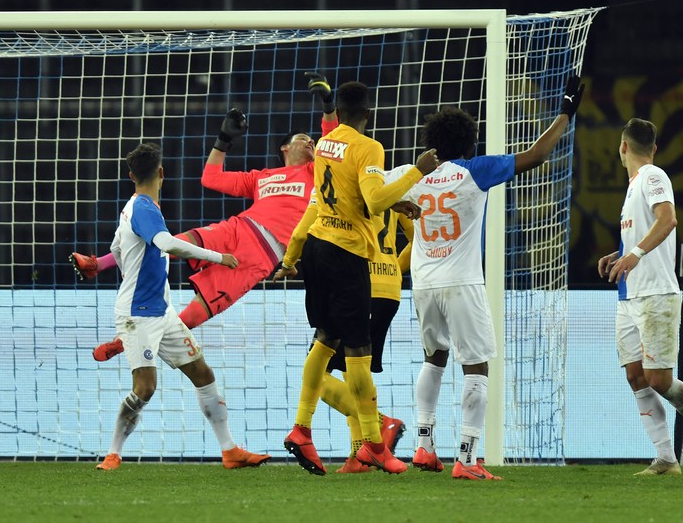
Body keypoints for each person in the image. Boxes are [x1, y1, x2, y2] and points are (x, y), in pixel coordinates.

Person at [390, 75, 585, 481]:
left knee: (434, 359)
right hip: (462, 281)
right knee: (476, 366)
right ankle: (466, 458)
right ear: (468, 144)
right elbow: (535, 155)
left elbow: (370, 188)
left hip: (423, 282)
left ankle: (423, 448)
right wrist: (566, 112)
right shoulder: (474, 170)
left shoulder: (412, 174)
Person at [72, 74, 316, 361]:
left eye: (313, 140)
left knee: (192, 316)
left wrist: (326, 103)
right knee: (166, 245)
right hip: (238, 229)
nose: (311, 142)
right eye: (304, 139)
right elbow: (211, 178)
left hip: (261, 256)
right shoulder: (262, 177)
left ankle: (124, 342)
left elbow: (335, 140)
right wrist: (223, 139)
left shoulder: (318, 173)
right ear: (285, 148)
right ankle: (97, 264)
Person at [274, 80, 439, 476]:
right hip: (348, 257)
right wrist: (418, 170)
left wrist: (291, 258)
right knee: (357, 355)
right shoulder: (370, 147)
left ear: (341, 114)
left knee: (324, 342)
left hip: (318, 248)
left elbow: (348, 199)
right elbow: (376, 200)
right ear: (368, 114)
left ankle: (302, 427)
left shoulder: (326, 144)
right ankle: (374, 443)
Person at [95, 142, 271, 471]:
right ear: (162, 173)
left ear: (131, 175)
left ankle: (230, 451)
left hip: (163, 313)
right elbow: (167, 244)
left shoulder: (135, 207)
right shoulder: (145, 210)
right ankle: (113, 452)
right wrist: (219, 257)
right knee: (145, 388)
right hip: (137, 315)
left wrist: (121, 270)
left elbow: (117, 247)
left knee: (203, 374)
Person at [597, 118, 683, 476]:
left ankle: (665, 458)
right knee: (635, 375)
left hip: (655, 295)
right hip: (630, 297)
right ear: (654, 145)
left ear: (623, 147)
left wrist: (635, 255)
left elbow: (668, 220)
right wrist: (621, 254)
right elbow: (646, 234)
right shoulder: (634, 186)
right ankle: (665, 458)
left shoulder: (651, 175)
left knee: (659, 379)